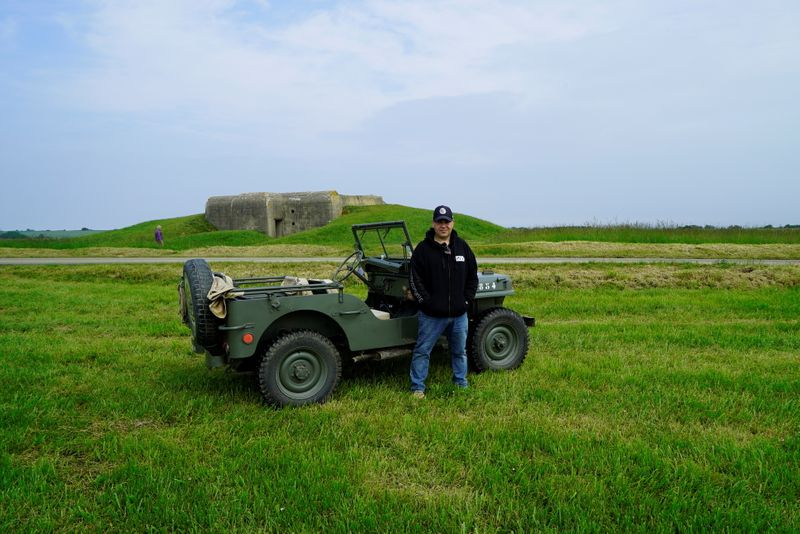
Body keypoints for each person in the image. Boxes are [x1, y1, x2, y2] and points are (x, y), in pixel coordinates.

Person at [408, 205, 478, 398]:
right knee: (422, 351)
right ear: (433, 224)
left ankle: (460, 383)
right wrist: (427, 303)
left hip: (458, 315)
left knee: (459, 352)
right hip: (431, 315)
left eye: (446, 221)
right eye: (439, 222)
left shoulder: (462, 247)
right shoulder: (423, 250)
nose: (443, 225)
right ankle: (418, 388)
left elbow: (473, 276)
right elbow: (415, 280)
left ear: (452, 223)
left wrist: (466, 301)